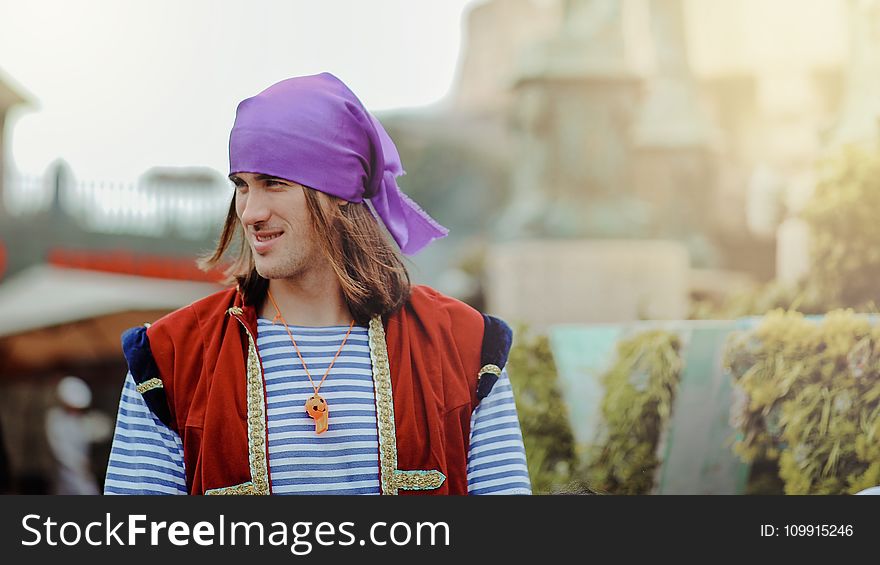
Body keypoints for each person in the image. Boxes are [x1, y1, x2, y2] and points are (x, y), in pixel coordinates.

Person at [104, 72, 531, 495]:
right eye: (242, 186)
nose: (251, 212)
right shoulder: (170, 357)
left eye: (274, 183)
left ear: (339, 192)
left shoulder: (464, 346)